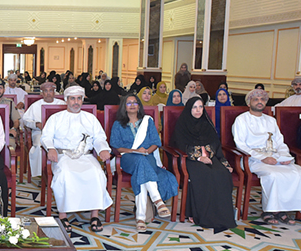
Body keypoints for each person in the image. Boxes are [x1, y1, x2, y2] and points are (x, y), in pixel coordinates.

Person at [41, 86, 112, 233]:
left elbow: (99, 137)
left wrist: (103, 149)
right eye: (72, 99)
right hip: (63, 156)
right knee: (65, 174)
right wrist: (51, 148)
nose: (76, 102)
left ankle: (94, 215)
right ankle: (63, 215)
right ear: (66, 100)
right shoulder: (56, 118)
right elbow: (46, 137)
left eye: (79, 98)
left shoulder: (90, 118)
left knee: (97, 174)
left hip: (86, 156)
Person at [232, 88, 301, 224]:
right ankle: (269, 211)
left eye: (262, 99)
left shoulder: (271, 120)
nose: (260, 102)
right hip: (252, 159)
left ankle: (283, 210)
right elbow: (241, 145)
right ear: (249, 103)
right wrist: (262, 158)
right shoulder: (241, 120)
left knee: (298, 172)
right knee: (273, 175)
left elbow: (280, 142)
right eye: (256, 99)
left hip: (275, 157)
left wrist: (285, 157)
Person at [110, 94, 177, 232]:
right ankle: (158, 201)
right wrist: (134, 151)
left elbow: (155, 143)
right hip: (128, 158)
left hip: (147, 156)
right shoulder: (118, 124)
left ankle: (141, 217)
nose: (132, 105)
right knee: (140, 163)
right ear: (124, 107)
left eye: (135, 102)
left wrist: (146, 151)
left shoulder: (147, 121)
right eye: (129, 103)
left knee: (141, 170)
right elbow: (116, 146)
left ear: (139, 106)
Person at [172, 96, 237, 231]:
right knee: (204, 174)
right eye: (195, 107)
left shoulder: (207, 124)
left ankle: (221, 215)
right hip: (190, 159)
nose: (198, 110)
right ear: (189, 109)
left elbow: (216, 145)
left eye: (200, 107)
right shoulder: (182, 124)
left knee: (222, 174)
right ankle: (199, 214)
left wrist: (224, 163)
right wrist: (199, 157)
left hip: (210, 157)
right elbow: (180, 144)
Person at [22, 82, 65, 178]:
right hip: (40, 132)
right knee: (39, 146)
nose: (48, 93)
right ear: (42, 93)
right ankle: (41, 174)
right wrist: (36, 124)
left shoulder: (62, 105)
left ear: (54, 92)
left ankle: (61, 172)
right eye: (46, 91)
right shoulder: (35, 106)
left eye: (51, 91)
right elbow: (25, 120)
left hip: (59, 134)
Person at [0, 80, 21, 147]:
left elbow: (16, 121)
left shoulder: (10, 103)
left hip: (6, 133)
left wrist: (13, 129)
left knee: (11, 145)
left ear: (4, 90)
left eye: (0, 88)